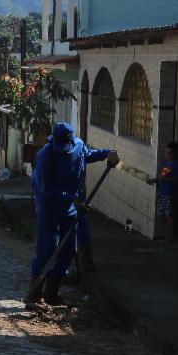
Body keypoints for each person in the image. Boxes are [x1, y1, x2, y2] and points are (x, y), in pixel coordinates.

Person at [27, 122, 119, 306]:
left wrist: (107, 153)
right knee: (47, 247)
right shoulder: (45, 156)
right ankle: (35, 293)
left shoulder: (78, 146)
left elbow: (88, 155)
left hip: (69, 205)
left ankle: (52, 294)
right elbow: (45, 189)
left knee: (69, 248)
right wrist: (73, 198)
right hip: (48, 206)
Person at [148, 141, 178, 242]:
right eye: (166, 153)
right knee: (162, 215)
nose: (167, 155)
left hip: (170, 194)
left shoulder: (177, 165)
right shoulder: (164, 163)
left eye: (170, 153)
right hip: (162, 193)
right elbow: (161, 177)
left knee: (169, 216)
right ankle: (176, 231)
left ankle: (171, 236)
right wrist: (154, 180)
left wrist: (166, 180)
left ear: (175, 154)